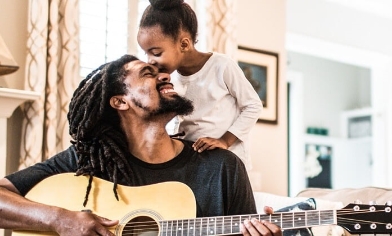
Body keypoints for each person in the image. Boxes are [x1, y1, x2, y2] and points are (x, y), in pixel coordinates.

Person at [0, 55, 281, 236]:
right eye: (148, 73)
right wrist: (59, 219)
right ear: (120, 101)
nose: (165, 75)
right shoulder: (89, 161)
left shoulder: (221, 167)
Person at [137, 0, 263, 169]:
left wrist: (224, 141)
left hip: (228, 164)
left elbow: (253, 106)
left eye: (156, 53)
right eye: (146, 54)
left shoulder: (222, 66)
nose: (150, 61)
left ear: (184, 44)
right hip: (194, 164)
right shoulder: (169, 80)